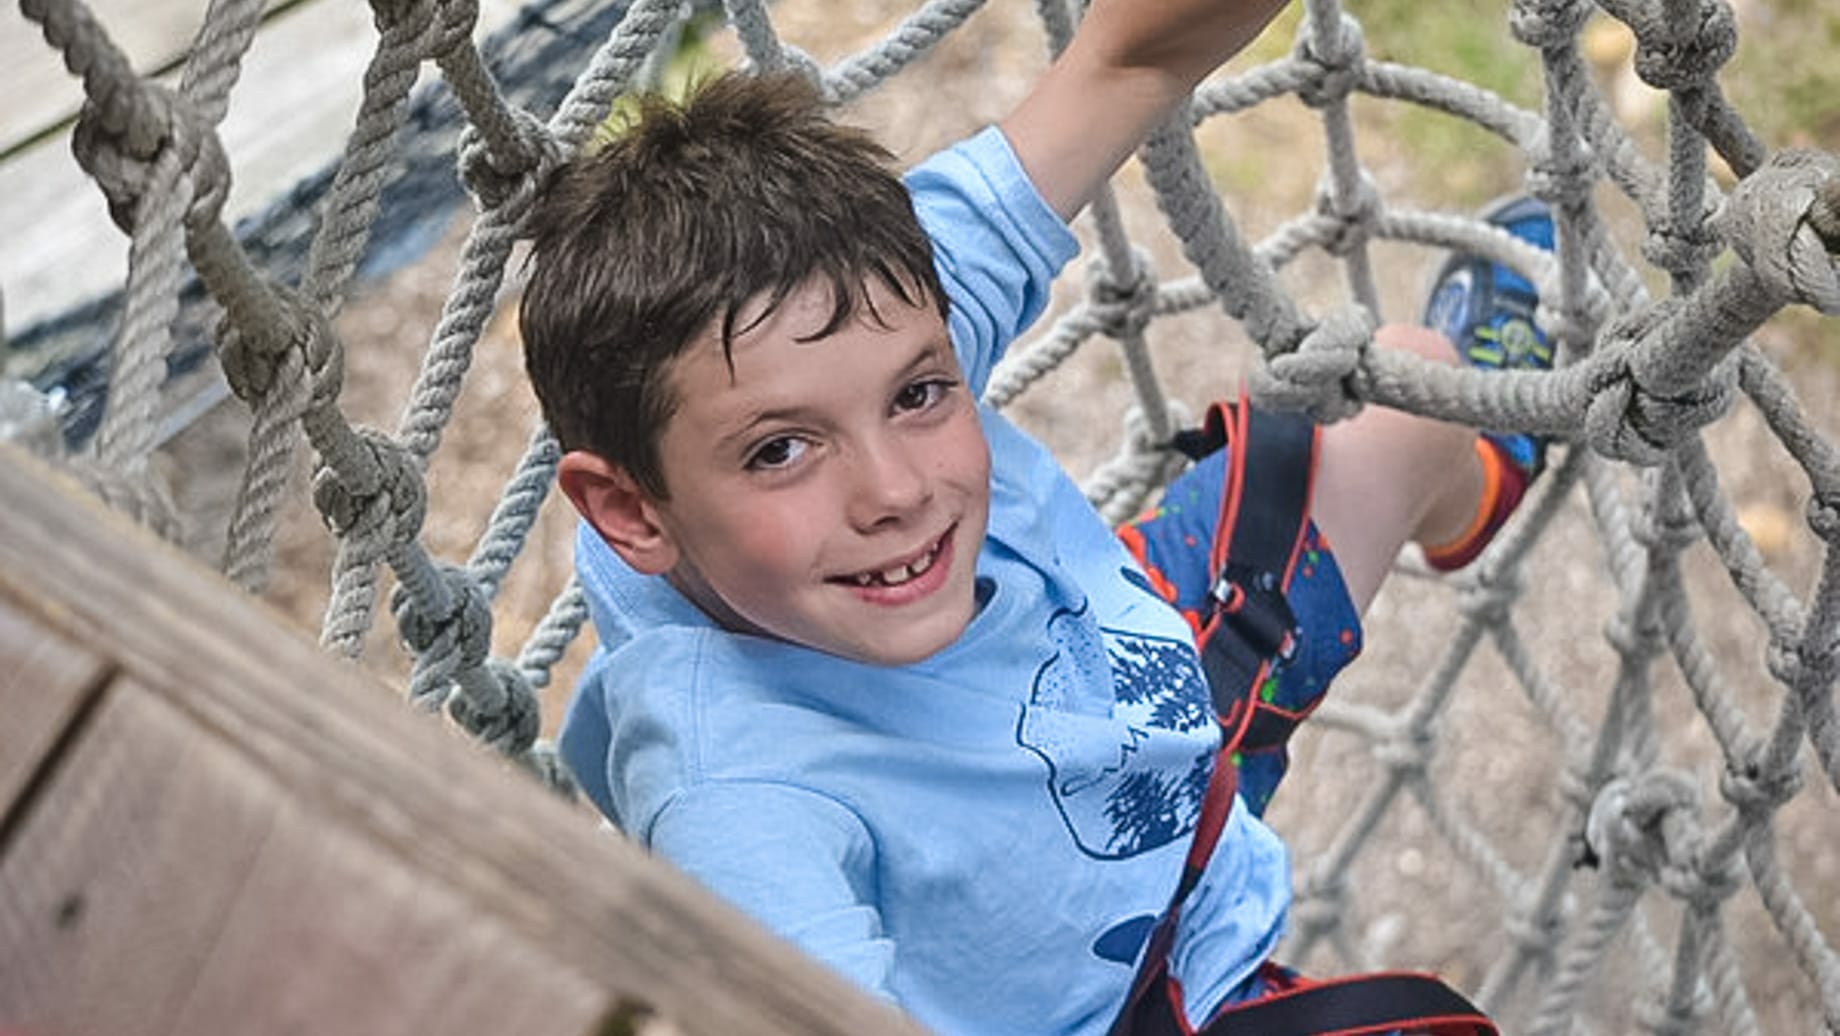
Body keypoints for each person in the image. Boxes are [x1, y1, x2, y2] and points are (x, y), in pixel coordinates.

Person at [519, 1, 1550, 1032]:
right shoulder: (737, 798)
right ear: (628, 510)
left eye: (920, 395)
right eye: (780, 451)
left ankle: (1483, 468)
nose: (895, 491)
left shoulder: (851, 308)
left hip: (1163, 695)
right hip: (1134, 997)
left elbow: (1127, 56)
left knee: (1409, 390)